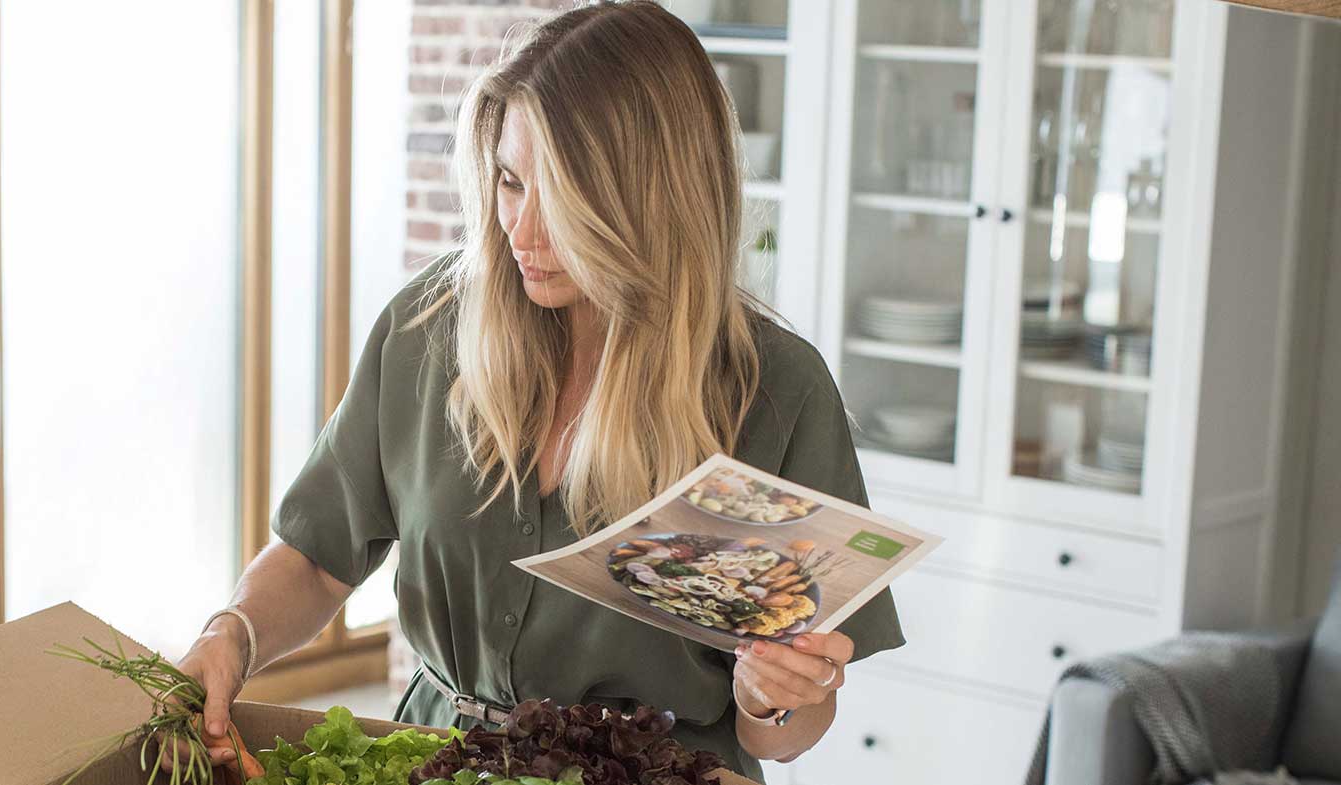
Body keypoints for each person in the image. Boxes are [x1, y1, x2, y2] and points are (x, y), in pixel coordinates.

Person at [179, 2, 901, 780]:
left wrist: (773, 699)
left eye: (559, 198)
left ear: (651, 203)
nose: (520, 231)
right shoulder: (428, 330)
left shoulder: (776, 393)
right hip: (436, 762)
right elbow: (319, 558)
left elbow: (786, 728)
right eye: (510, 181)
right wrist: (232, 632)